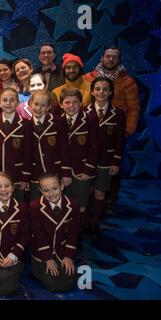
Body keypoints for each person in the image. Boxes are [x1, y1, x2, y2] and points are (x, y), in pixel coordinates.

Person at [85, 77, 125, 234]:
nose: (101, 92)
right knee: (86, 191)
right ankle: (84, 221)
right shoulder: (84, 112)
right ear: (93, 92)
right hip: (87, 160)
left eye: (105, 89)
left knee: (100, 191)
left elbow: (120, 140)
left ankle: (94, 222)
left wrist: (116, 161)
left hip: (106, 160)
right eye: (98, 89)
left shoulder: (118, 114)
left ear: (110, 92)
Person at [30, 172, 81, 292]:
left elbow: (74, 232)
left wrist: (68, 256)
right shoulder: (34, 206)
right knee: (53, 284)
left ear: (62, 186)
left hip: (62, 249)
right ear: (40, 190)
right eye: (46, 190)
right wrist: (48, 258)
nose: (51, 193)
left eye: (55, 188)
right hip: (43, 252)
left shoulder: (73, 204)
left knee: (70, 281)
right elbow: (38, 235)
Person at [0, 88, 32, 202]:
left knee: (18, 207)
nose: (8, 103)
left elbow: (28, 152)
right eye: (5, 100)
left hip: (17, 176)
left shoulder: (26, 124)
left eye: (12, 100)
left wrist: (25, 176)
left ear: (17, 103)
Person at [60, 88, 98, 220]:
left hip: (83, 170)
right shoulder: (58, 120)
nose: (71, 106)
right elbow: (60, 149)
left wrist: (88, 170)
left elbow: (95, 147)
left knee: (81, 203)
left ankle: (79, 234)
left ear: (81, 103)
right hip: (65, 170)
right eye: (67, 102)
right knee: (67, 203)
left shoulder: (90, 119)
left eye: (75, 102)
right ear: (61, 104)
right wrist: (64, 172)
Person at [85, 45, 140, 137]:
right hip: (91, 129)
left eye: (114, 57)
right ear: (102, 58)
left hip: (116, 130)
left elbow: (133, 108)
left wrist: (127, 131)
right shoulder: (88, 78)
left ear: (118, 60)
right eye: (108, 56)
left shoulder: (127, 82)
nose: (111, 59)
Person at [29, 90, 71, 201]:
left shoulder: (58, 122)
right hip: (35, 173)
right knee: (35, 203)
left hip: (54, 170)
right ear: (30, 103)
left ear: (48, 107)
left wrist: (66, 172)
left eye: (43, 105)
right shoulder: (26, 124)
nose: (38, 108)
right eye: (36, 104)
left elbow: (65, 149)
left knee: (57, 202)